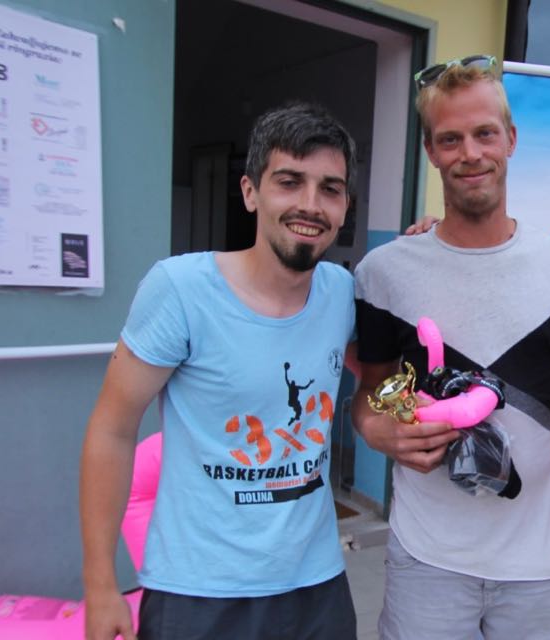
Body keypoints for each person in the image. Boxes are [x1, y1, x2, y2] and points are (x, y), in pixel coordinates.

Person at [350, 55, 550, 640]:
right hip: (428, 560)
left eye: (485, 134)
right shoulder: (384, 272)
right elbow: (372, 391)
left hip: (538, 563)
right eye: (451, 139)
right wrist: (376, 428)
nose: (471, 153)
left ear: (511, 139)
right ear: (431, 151)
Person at [80, 102, 359, 640]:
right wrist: (99, 584)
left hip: (317, 589)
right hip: (199, 593)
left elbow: (380, 379)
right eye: (289, 182)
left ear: (345, 206)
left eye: (330, 189)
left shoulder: (342, 293)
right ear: (250, 191)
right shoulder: (181, 290)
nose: (310, 204)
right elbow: (112, 430)